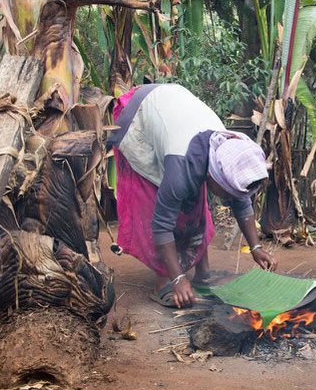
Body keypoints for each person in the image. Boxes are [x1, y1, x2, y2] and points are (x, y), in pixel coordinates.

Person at [108, 83, 278, 309]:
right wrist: (178, 279)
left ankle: (202, 271)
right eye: (226, 194)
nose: (228, 200)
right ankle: (164, 282)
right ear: (211, 175)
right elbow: (160, 225)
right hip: (139, 117)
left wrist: (256, 248)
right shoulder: (181, 166)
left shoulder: (226, 152)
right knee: (156, 197)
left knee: (195, 202)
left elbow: (240, 200)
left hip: (173, 109)